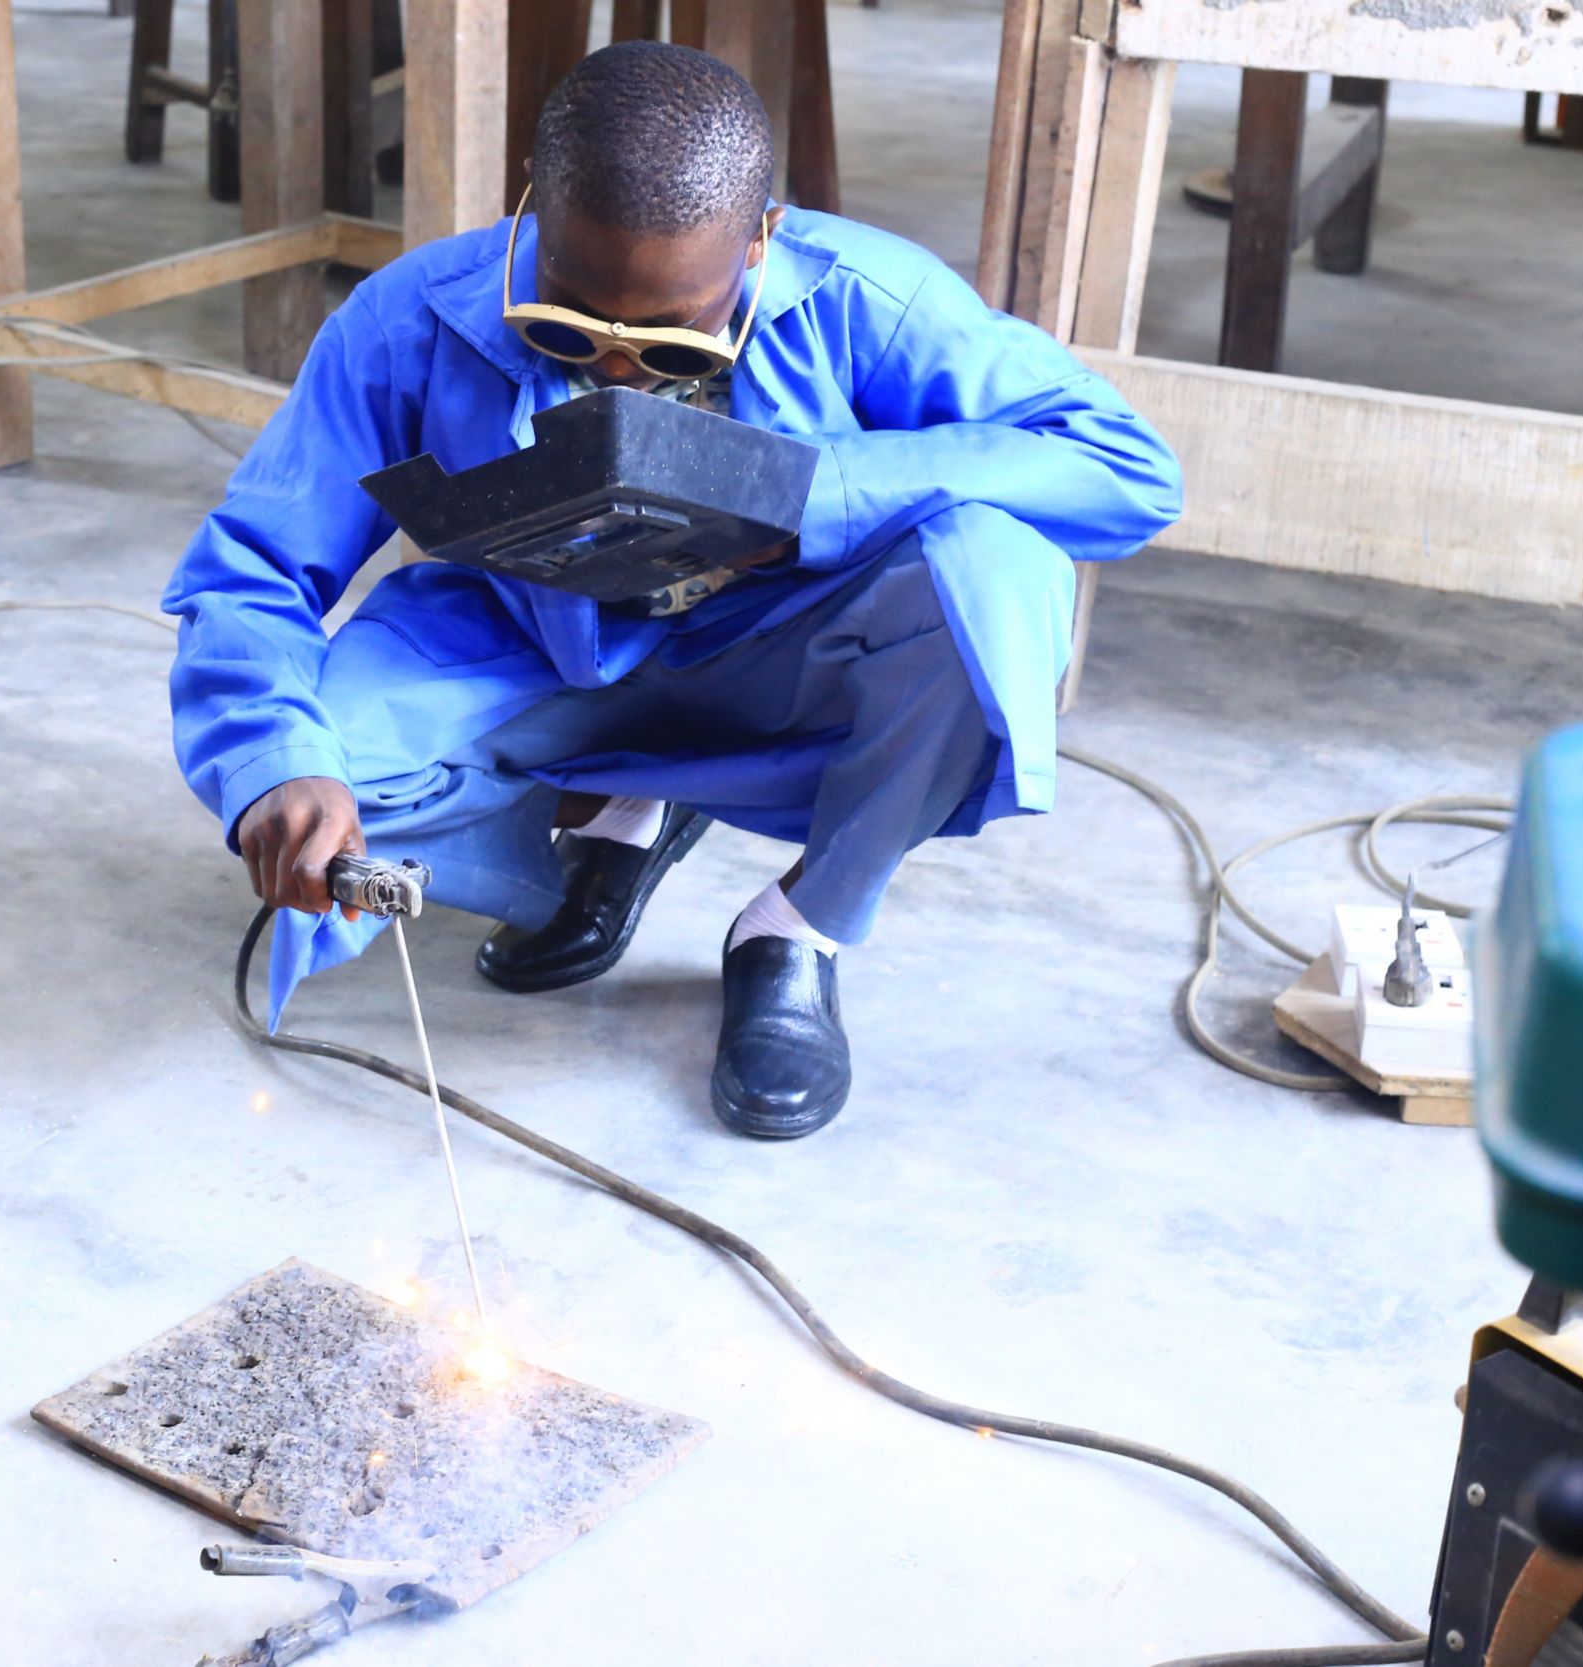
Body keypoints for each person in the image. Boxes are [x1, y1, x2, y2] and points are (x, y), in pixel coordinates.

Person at [165, 42, 1182, 1140]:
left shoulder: (869, 299)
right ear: (530, 211)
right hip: (533, 648)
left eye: (664, 342)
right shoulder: (408, 316)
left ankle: (800, 928)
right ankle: (618, 816)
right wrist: (280, 758)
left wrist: (814, 490)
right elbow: (256, 563)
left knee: (991, 569)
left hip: (778, 653)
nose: (609, 369)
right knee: (329, 769)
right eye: (565, 322)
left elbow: (1127, 468)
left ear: (759, 239)